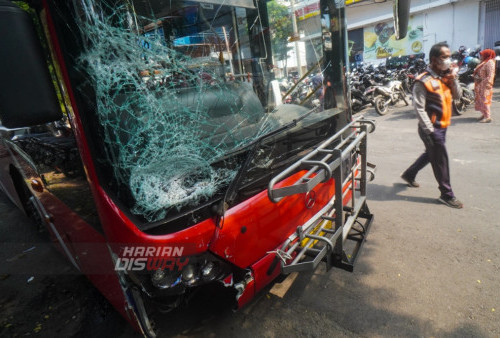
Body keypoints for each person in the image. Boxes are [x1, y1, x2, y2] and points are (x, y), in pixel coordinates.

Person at [401, 42, 463, 209]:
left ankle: (409, 174)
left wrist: (453, 79)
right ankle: (446, 194)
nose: (448, 60)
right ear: (434, 59)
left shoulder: (445, 76)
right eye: (445, 57)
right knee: (440, 159)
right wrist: (430, 130)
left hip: (442, 126)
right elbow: (418, 108)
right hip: (430, 128)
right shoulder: (423, 80)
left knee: (431, 154)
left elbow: (457, 96)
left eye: (449, 56)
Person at [473, 49, 496, 123]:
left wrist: (488, 84)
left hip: (485, 85)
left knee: (485, 100)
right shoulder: (485, 61)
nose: (481, 56)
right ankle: (484, 114)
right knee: (481, 100)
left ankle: (487, 117)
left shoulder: (490, 62)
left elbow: (490, 75)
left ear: (487, 55)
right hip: (480, 84)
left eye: (482, 54)